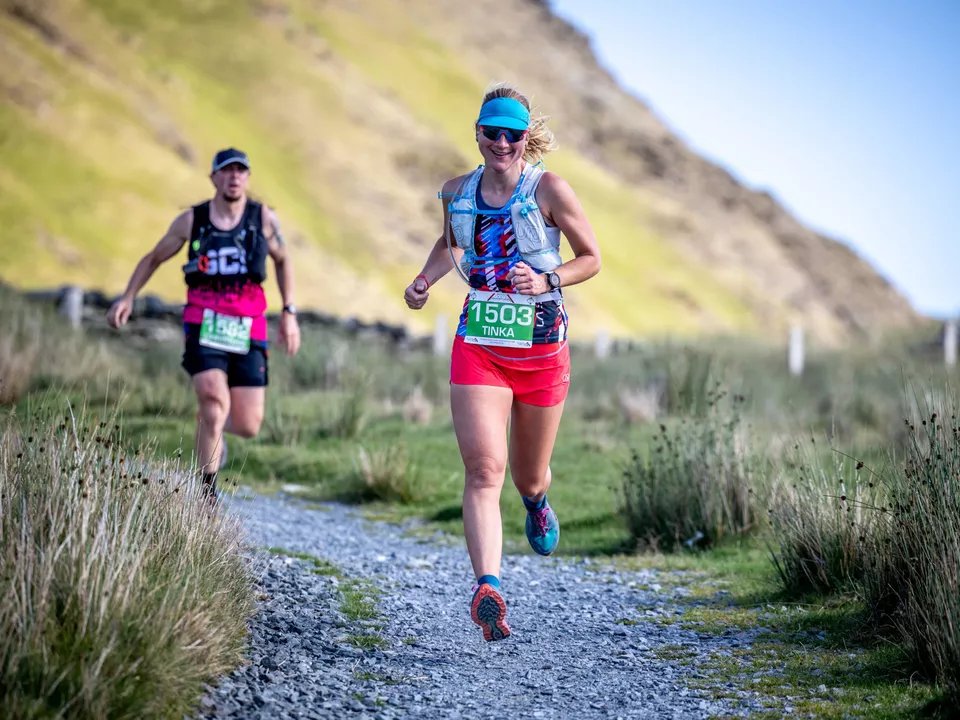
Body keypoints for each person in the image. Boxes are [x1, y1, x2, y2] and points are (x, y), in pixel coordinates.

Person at [404, 85, 601, 641]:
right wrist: (424, 280)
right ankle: (487, 586)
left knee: (526, 474)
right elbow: (451, 245)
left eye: (513, 134)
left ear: (524, 137)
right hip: (480, 343)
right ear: (478, 132)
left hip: (540, 348)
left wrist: (546, 278)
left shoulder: (549, 190)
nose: (502, 142)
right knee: (483, 470)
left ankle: (536, 503)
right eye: (492, 131)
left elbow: (592, 258)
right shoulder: (456, 192)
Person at [107, 148, 301, 499]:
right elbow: (154, 257)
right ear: (214, 177)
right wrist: (128, 296)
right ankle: (208, 493)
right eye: (227, 170)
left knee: (248, 424)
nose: (234, 176)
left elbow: (283, 261)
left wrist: (289, 312)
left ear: (247, 178)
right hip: (204, 320)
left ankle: (211, 427)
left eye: (241, 170)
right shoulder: (191, 221)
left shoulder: (263, 219)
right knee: (213, 400)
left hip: (248, 324)